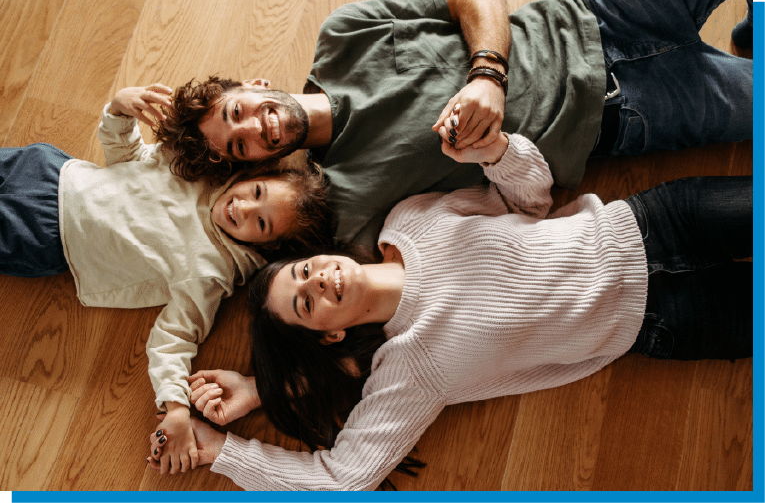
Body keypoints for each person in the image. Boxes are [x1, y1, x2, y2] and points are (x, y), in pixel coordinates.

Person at [150, 125, 752, 489]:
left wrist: (496, 150)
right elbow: (342, 481)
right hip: (664, 322)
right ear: (329, 334)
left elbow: (531, 199)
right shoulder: (410, 372)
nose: (320, 283)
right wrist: (222, 449)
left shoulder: (410, 219)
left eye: (305, 272)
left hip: (655, 222)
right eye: (307, 305)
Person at [155, 0, 752, 248]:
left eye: (237, 112)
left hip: (593, 16)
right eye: (239, 148)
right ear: (254, 164)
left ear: (252, 85)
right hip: (624, 114)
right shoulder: (344, 203)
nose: (254, 128)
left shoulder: (342, 35)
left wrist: (487, 74)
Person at [0, 84, 334, 476]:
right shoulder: (199, 171)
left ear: (269, 246)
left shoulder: (211, 274)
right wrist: (119, 111)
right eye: (256, 191)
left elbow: (174, 341)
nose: (242, 208)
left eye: (260, 222)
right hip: (49, 171)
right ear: (255, 175)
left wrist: (175, 407)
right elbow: (127, 159)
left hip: (44, 237)